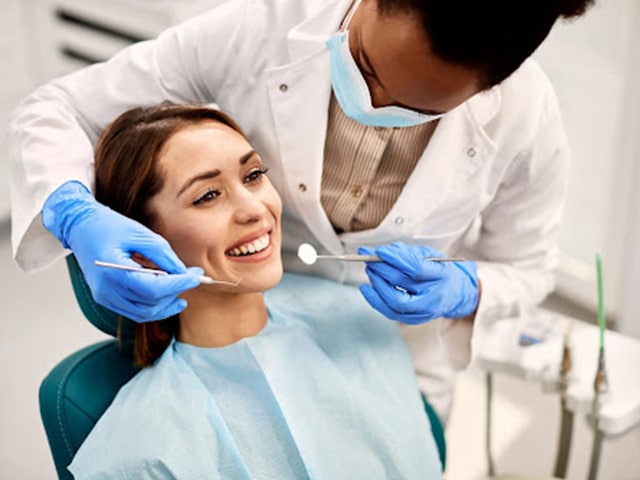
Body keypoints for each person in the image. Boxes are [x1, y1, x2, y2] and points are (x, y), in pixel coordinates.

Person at [8, 0, 595, 422]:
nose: (372, 103)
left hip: (391, 364)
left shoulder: (525, 116)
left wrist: (468, 288)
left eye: (415, 107)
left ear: (486, 90)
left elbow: (529, 266)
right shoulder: (264, 25)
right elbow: (55, 108)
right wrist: (72, 212)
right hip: (244, 336)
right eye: (364, 66)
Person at [66, 103, 443, 479]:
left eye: (253, 175)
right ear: (142, 247)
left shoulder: (357, 319)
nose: (255, 210)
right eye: (207, 196)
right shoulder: (142, 454)